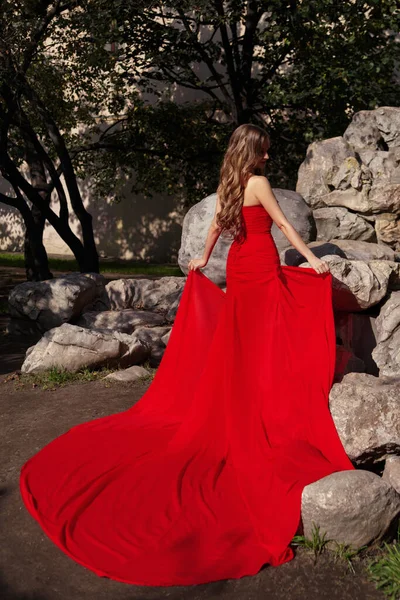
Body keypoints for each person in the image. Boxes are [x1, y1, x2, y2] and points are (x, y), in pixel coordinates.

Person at [20, 124, 355, 588]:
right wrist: (312, 259)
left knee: (244, 336)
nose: (269, 158)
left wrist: (203, 258)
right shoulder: (257, 183)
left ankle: (246, 388)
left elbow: (218, 224)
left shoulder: (229, 183)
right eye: (266, 152)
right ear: (254, 152)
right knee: (265, 333)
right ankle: (262, 392)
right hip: (258, 263)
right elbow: (282, 226)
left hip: (238, 264)